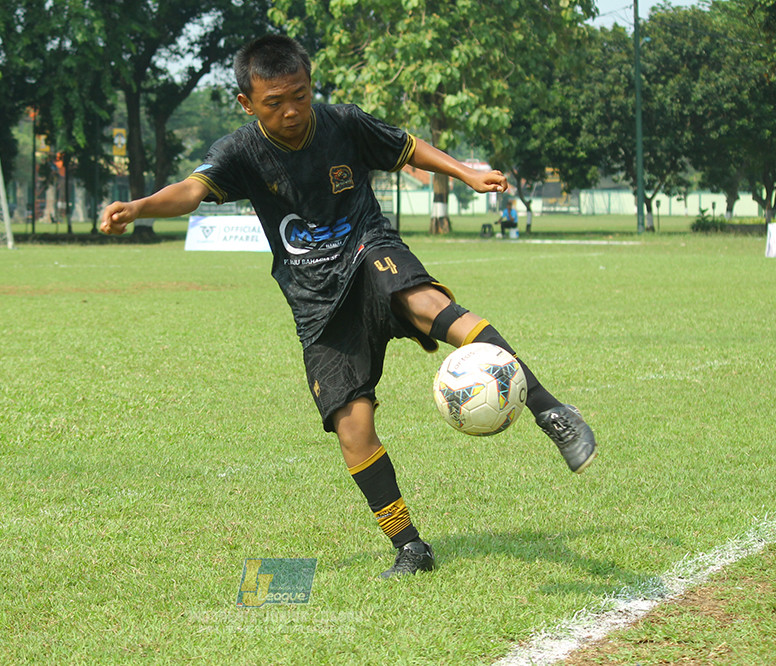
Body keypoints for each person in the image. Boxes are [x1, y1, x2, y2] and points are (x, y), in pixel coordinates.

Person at [100, 35, 597, 579]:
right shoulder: (240, 152)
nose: (290, 111)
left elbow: (406, 147)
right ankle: (409, 545)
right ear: (247, 103)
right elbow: (191, 191)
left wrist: (466, 172)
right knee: (352, 427)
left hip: (369, 253)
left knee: (425, 301)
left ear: (311, 86)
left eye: (300, 95)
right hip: (317, 304)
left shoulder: (342, 123)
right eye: (274, 102)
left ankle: (551, 410)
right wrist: (141, 207)